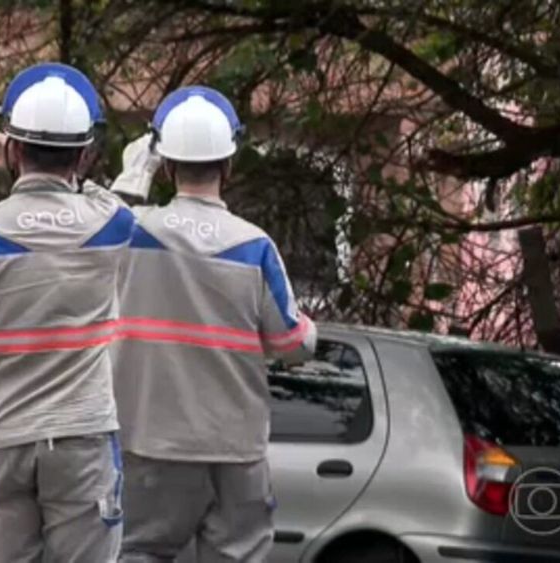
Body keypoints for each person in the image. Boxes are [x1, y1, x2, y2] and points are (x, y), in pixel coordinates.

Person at [0, 62, 133, 563]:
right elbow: (107, 199)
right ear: (83, 155)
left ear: (13, 150)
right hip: (82, 437)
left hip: (4, 439)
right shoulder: (109, 225)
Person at [109, 86, 318, 562]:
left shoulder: (131, 232)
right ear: (228, 166)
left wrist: (131, 174)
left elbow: (90, 232)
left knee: (137, 552)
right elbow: (293, 344)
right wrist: (308, 328)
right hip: (234, 448)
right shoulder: (255, 246)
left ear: (166, 165)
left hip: (150, 442)